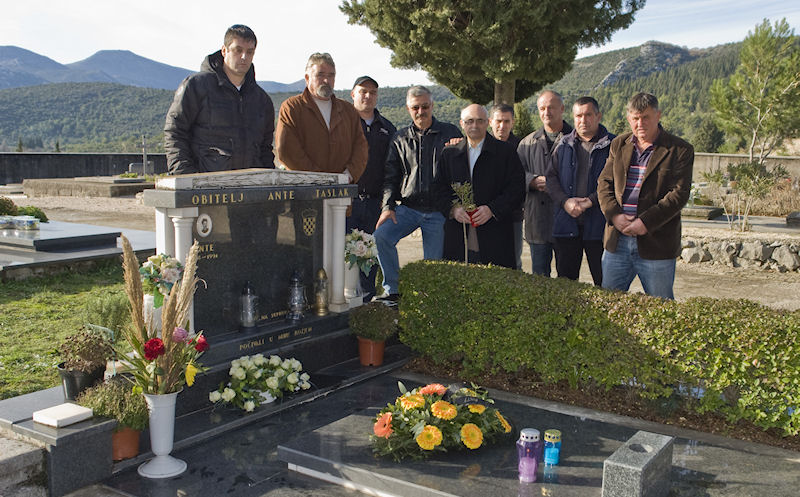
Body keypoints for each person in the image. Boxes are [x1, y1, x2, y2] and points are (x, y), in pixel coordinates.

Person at [597, 92, 694, 299]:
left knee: (661, 307)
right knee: (608, 303)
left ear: (658, 115)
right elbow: (604, 184)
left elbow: (679, 194)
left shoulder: (679, 150)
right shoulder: (619, 144)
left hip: (656, 243)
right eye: (635, 118)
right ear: (628, 118)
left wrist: (645, 223)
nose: (640, 123)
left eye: (646, 117)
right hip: (617, 241)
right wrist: (614, 215)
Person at [373, 85, 462, 301]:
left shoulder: (450, 133)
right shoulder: (399, 138)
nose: (421, 111)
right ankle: (393, 290)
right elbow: (390, 177)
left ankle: (428, 301)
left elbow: (463, 168)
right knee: (380, 237)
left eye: (425, 106)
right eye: (415, 107)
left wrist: (461, 147)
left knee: (432, 266)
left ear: (432, 105)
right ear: (408, 109)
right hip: (408, 208)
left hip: (439, 211)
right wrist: (387, 207)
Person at [164, 24, 274, 174]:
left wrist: (267, 179)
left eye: (250, 52)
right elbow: (175, 132)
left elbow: (265, 149)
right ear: (224, 51)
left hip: (251, 184)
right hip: (204, 182)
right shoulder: (197, 86)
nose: (244, 57)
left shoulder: (262, 101)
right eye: (238, 50)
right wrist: (185, 175)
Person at [441, 104, 525, 267]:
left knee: (498, 278)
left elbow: (517, 188)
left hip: (496, 232)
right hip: (458, 232)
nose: (474, 125)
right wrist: (453, 210)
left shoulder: (506, 152)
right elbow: (438, 189)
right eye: (469, 121)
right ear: (461, 123)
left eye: (480, 121)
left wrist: (492, 209)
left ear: (487, 122)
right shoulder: (449, 154)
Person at [546, 96, 614, 285]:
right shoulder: (563, 144)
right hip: (567, 223)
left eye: (588, 115)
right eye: (578, 116)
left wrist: (591, 200)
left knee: (605, 283)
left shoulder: (613, 145)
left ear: (598, 116)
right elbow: (551, 178)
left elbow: (617, 183)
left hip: (600, 226)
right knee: (566, 284)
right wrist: (565, 202)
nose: (583, 120)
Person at [275, 52, 367, 181]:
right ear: (307, 78)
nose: (326, 81)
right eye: (320, 75)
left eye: (331, 75)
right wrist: (317, 179)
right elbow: (287, 150)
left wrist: (348, 175)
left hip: (342, 188)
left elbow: (361, 147)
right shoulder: (292, 108)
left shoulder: (348, 111)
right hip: (304, 188)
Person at [347, 75, 396, 300]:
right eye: (363, 91)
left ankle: (365, 305)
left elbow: (392, 169)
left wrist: (387, 203)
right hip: (346, 203)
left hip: (374, 204)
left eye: (373, 92)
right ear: (353, 94)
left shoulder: (387, 128)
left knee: (368, 259)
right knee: (344, 257)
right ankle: (343, 306)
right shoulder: (342, 124)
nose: (368, 96)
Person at [518, 90, 572, 276]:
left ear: (562, 109)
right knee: (539, 277)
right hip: (537, 220)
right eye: (542, 108)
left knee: (568, 277)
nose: (546, 112)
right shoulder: (526, 143)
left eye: (551, 107)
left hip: (567, 220)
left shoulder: (576, 139)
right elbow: (515, 176)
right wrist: (532, 181)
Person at [489, 104, 523, 270]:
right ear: (490, 122)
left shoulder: (522, 147)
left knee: (513, 262)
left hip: (513, 215)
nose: (502, 126)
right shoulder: (480, 146)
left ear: (513, 122)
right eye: (498, 121)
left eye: (506, 121)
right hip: (485, 213)